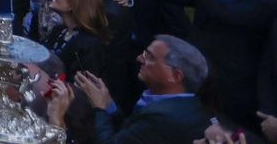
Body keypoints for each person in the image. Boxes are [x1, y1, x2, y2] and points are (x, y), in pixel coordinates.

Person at [64, 35, 212, 143]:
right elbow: (130, 132)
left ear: (175, 76)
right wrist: (110, 106)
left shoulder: (163, 118)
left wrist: (99, 108)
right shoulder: (181, 104)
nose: (140, 59)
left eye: (150, 57)